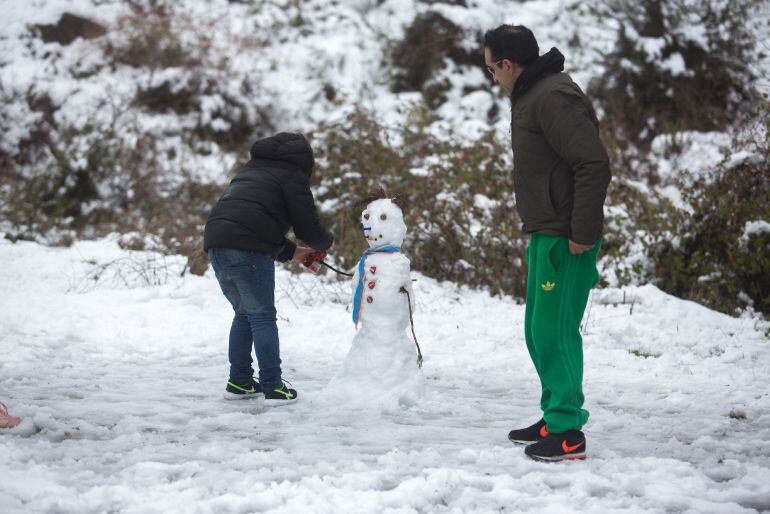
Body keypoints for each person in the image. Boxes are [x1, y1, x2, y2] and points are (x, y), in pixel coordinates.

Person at [483, 25, 611, 461]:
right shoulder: (532, 95)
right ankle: (553, 415)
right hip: (545, 230)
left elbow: (593, 163)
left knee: (554, 332)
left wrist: (582, 232)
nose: (493, 78)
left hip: (566, 234)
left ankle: (567, 431)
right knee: (537, 332)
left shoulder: (552, 96)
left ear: (507, 64)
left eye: (491, 69)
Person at [204, 132, 334, 406]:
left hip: (216, 243)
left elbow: (251, 221)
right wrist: (326, 242)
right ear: (305, 159)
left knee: (244, 314)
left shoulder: (249, 171)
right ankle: (273, 386)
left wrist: (293, 252)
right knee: (262, 317)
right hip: (247, 250)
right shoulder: (293, 176)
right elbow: (307, 228)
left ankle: (239, 381)